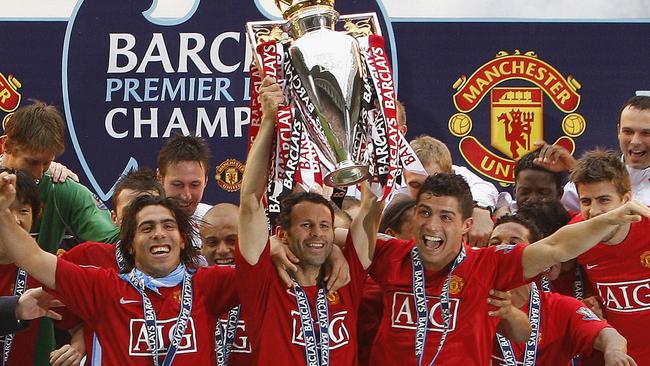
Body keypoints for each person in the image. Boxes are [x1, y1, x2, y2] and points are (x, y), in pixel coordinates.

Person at [367, 171, 650, 365]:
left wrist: (607, 220)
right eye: (425, 213)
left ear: (466, 225)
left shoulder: (486, 264)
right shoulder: (390, 253)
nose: (432, 225)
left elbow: (556, 247)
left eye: (446, 216)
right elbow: (335, 237)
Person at [0, 175, 239, 364]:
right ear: (130, 245)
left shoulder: (208, 284)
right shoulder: (104, 287)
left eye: (168, 226)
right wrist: (2, 212)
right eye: (146, 228)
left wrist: (275, 246)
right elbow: (32, 257)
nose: (158, 233)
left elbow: (259, 264)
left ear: (184, 239)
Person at [237, 76, 382, 365]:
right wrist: (268, 121)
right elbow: (251, 201)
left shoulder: (346, 279)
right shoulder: (264, 284)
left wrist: (371, 124)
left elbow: (372, 204)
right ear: (283, 234)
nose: (317, 234)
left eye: (324, 226)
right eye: (306, 225)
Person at [488, 215, 634, 366]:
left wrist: (614, 351)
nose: (502, 247)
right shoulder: (474, 301)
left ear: (536, 255)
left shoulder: (560, 307)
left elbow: (608, 336)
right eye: (495, 243)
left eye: (513, 242)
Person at [569, 149, 650, 364]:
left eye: (604, 200)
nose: (594, 211)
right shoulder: (574, 235)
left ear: (626, 199)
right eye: (586, 201)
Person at [533, 96, 650, 211]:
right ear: (618, 131)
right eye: (628, 132)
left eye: (646, 133)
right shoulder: (589, 181)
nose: (635, 141)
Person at [404, 134, 499, 246]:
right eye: (415, 185)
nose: (425, 192)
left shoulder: (477, 223)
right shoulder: (391, 212)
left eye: (434, 182)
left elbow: (486, 188)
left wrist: (481, 210)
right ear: (404, 179)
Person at [157, 134, 212, 247]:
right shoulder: (144, 223)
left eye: (195, 185)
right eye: (177, 184)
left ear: (206, 181)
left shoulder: (215, 222)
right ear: (159, 179)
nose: (186, 196)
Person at [494, 149, 565, 217]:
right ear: (515, 192)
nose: (533, 199)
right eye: (525, 192)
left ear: (559, 194)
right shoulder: (498, 224)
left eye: (543, 193)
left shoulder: (572, 224)